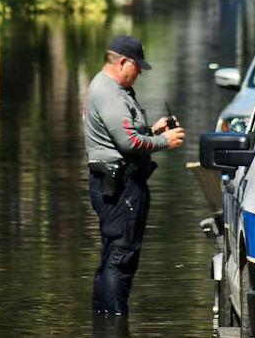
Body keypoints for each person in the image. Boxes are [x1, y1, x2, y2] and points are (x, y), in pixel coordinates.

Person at [83, 35, 185, 318]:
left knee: (111, 255)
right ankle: (115, 321)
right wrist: (165, 141)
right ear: (123, 62)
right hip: (122, 189)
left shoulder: (106, 88)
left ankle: (104, 323)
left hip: (115, 185)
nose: (139, 73)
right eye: (137, 67)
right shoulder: (110, 93)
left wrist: (153, 131)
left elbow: (123, 138)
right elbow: (128, 144)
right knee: (121, 257)